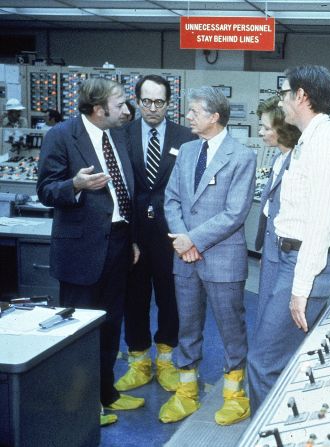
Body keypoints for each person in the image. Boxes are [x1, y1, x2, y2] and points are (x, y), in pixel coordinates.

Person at [247, 65, 330, 411]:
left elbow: (320, 225)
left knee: (262, 362)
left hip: (305, 264)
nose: (281, 101)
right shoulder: (308, 142)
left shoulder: (326, 144)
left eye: (284, 93)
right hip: (290, 259)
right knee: (278, 357)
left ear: (302, 96)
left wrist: (300, 288)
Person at [36, 78, 144, 427]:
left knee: (112, 323)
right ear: (98, 109)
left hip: (118, 241)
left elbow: (127, 192)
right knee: (81, 329)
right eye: (120, 104)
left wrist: (133, 238)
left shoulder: (119, 134)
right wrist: (76, 185)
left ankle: (106, 392)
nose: (127, 109)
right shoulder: (62, 136)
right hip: (81, 251)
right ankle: (81, 406)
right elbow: (47, 191)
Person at [160, 86, 256, 425]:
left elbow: (235, 213)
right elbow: (170, 199)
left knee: (232, 329)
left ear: (214, 117)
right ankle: (187, 392)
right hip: (184, 257)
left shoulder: (242, 156)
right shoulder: (186, 151)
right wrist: (182, 238)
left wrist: (192, 240)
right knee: (187, 326)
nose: (187, 117)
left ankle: (235, 395)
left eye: (194, 112)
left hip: (222, 258)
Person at [115, 75, 196, 394]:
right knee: (134, 299)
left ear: (168, 104)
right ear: (136, 101)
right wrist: (128, 235)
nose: (152, 108)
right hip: (132, 235)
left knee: (170, 298)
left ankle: (165, 359)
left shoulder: (186, 136)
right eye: (146, 101)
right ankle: (138, 361)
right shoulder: (121, 135)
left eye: (159, 102)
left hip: (171, 234)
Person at [246, 96, 301, 407]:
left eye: (266, 127)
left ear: (283, 130)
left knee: (269, 341)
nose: (261, 131)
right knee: (263, 318)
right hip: (271, 254)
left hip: (286, 259)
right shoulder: (280, 160)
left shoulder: (297, 163)